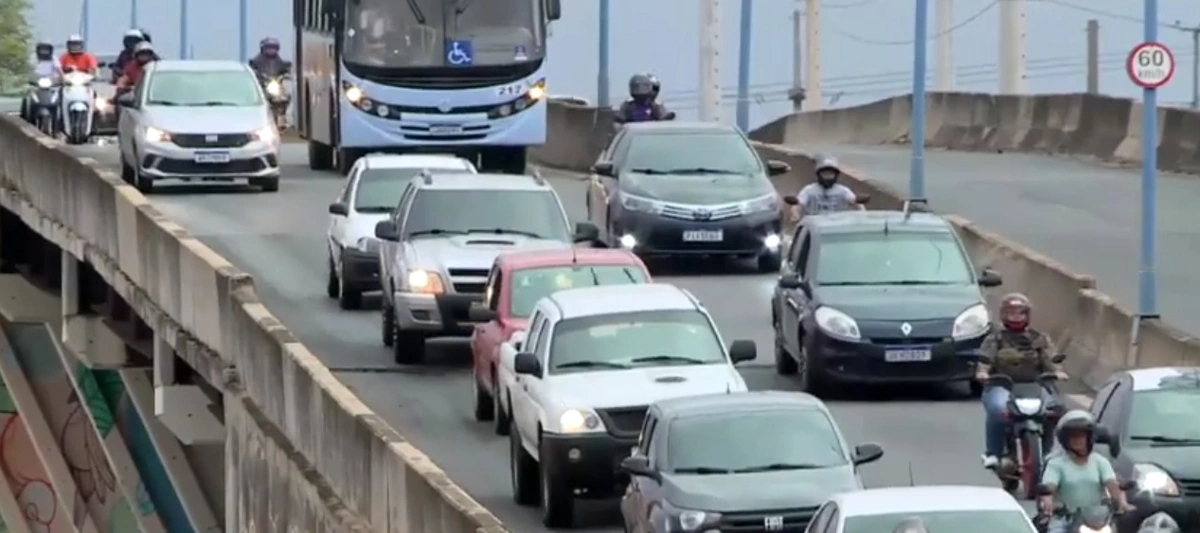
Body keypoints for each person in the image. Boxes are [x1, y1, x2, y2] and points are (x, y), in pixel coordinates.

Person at [975, 292, 1066, 468]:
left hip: (1035, 384)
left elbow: (1051, 358)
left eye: (1020, 313)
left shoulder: (1039, 338)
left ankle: (1049, 452)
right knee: (998, 410)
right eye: (1011, 313)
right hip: (1002, 384)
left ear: (1027, 315)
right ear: (1003, 315)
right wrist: (983, 373)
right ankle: (994, 453)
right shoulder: (995, 338)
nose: (1016, 317)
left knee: (1055, 410)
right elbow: (985, 359)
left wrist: (1058, 371)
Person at [1038, 410, 1134, 533]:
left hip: (1097, 519)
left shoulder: (1100, 461)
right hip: (1064, 519)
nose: (1078, 439)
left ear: (1090, 437)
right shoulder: (1056, 464)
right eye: (1073, 436)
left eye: (1081, 435)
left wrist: (1122, 503)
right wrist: (1047, 501)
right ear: (1065, 439)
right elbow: (1049, 486)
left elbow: (1112, 485)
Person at [791, 157, 863, 219]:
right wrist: (795, 215)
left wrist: (862, 215)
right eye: (825, 174)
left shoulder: (843, 190)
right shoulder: (809, 190)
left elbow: (855, 202)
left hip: (839, 225)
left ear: (836, 175)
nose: (828, 177)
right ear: (819, 175)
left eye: (830, 174)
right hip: (814, 226)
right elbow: (798, 204)